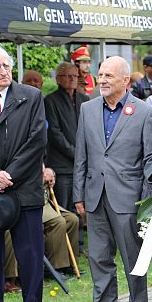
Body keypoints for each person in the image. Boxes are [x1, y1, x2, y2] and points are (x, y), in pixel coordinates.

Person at [73, 56, 152, 302]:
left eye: (109, 76)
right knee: (99, 260)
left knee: (133, 263)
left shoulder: (145, 112)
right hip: (95, 196)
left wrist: (146, 204)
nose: (102, 80)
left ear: (125, 81)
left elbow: (151, 160)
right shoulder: (87, 109)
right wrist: (78, 195)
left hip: (128, 200)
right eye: (100, 75)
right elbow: (81, 156)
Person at [0, 43, 47, 302]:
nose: (4, 71)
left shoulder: (30, 97)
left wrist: (9, 174)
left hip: (24, 190)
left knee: (30, 256)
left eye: (7, 65)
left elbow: (37, 141)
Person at [45, 62, 90, 212]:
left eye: (75, 76)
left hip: (83, 165)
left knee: (81, 208)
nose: (72, 79)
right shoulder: (50, 101)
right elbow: (54, 133)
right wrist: (76, 153)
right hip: (62, 166)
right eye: (67, 76)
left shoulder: (85, 100)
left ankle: (78, 237)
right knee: (64, 212)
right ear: (58, 79)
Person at [42, 167, 80, 275]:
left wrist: (49, 172)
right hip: (34, 202)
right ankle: (56, 267)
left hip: (45, 199)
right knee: (58, 222)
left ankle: (71, 264)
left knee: (72, 220)